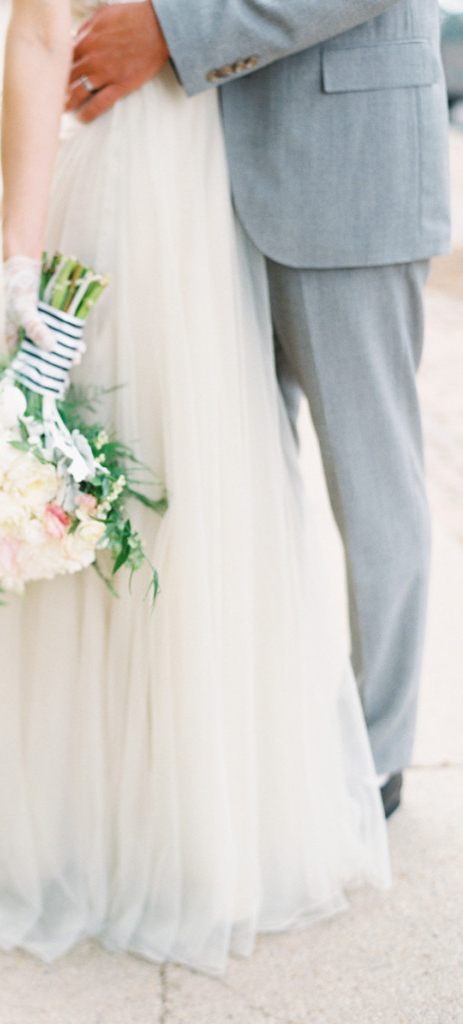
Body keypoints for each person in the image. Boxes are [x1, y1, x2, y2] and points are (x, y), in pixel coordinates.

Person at [0, 0, 392, 974]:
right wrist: (21, 258)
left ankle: (186, 817)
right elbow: (37, 28)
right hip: (107, 182)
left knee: (195, 496)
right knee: (72, 483)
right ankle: (55, 821)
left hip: (215, 184)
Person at [66, 0, 451, 819]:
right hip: (186, 176)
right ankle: (258, 730)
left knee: (372, 481)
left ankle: (373, 762)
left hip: (349, 158)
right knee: (226, 476)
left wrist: (177, 31)